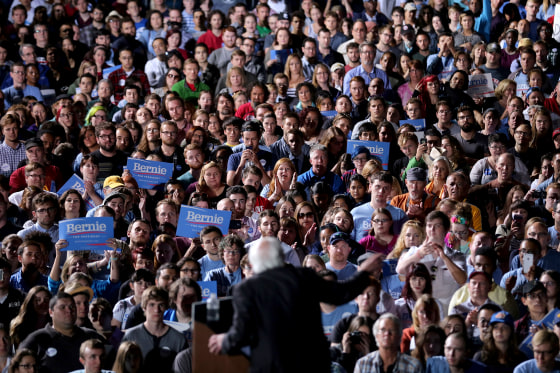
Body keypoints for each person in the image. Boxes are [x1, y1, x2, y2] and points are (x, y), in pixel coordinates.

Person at [208, 237, 385, 372]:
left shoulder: (246, 289)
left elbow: (242, 333)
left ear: (254, 264)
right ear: (280, 257)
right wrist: (362, 272)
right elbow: (340, 294)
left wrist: (225, 340)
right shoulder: (305, 276)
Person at [19, 292, 103, 373]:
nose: (69, 310)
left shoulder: (91, 336)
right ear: (51, 312)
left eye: (72, 307)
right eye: (62, 307)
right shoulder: (36, 340)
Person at [122, 286, 186, 371]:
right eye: (152, 305)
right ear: (144, 307)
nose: (156, 310)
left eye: (161, 305)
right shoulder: (131, 336)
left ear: (166, 307)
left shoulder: (179, 339)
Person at [354, 313, 423, 373]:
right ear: (376, 335)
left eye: (392, 330)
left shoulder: (413, 366)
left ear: (399, 336)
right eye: (383, 330)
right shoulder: (362, 364)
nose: (387, 333)